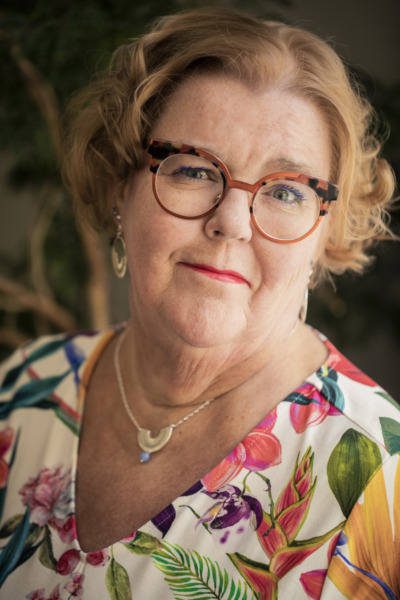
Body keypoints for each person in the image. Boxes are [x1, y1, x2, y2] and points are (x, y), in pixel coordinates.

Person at [0, 7, 398, 599]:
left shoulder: (376, 481)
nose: (231, 222)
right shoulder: (24, 387)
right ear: (119, 187)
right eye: (193, 170)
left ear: (324, 235)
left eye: (287, 192)